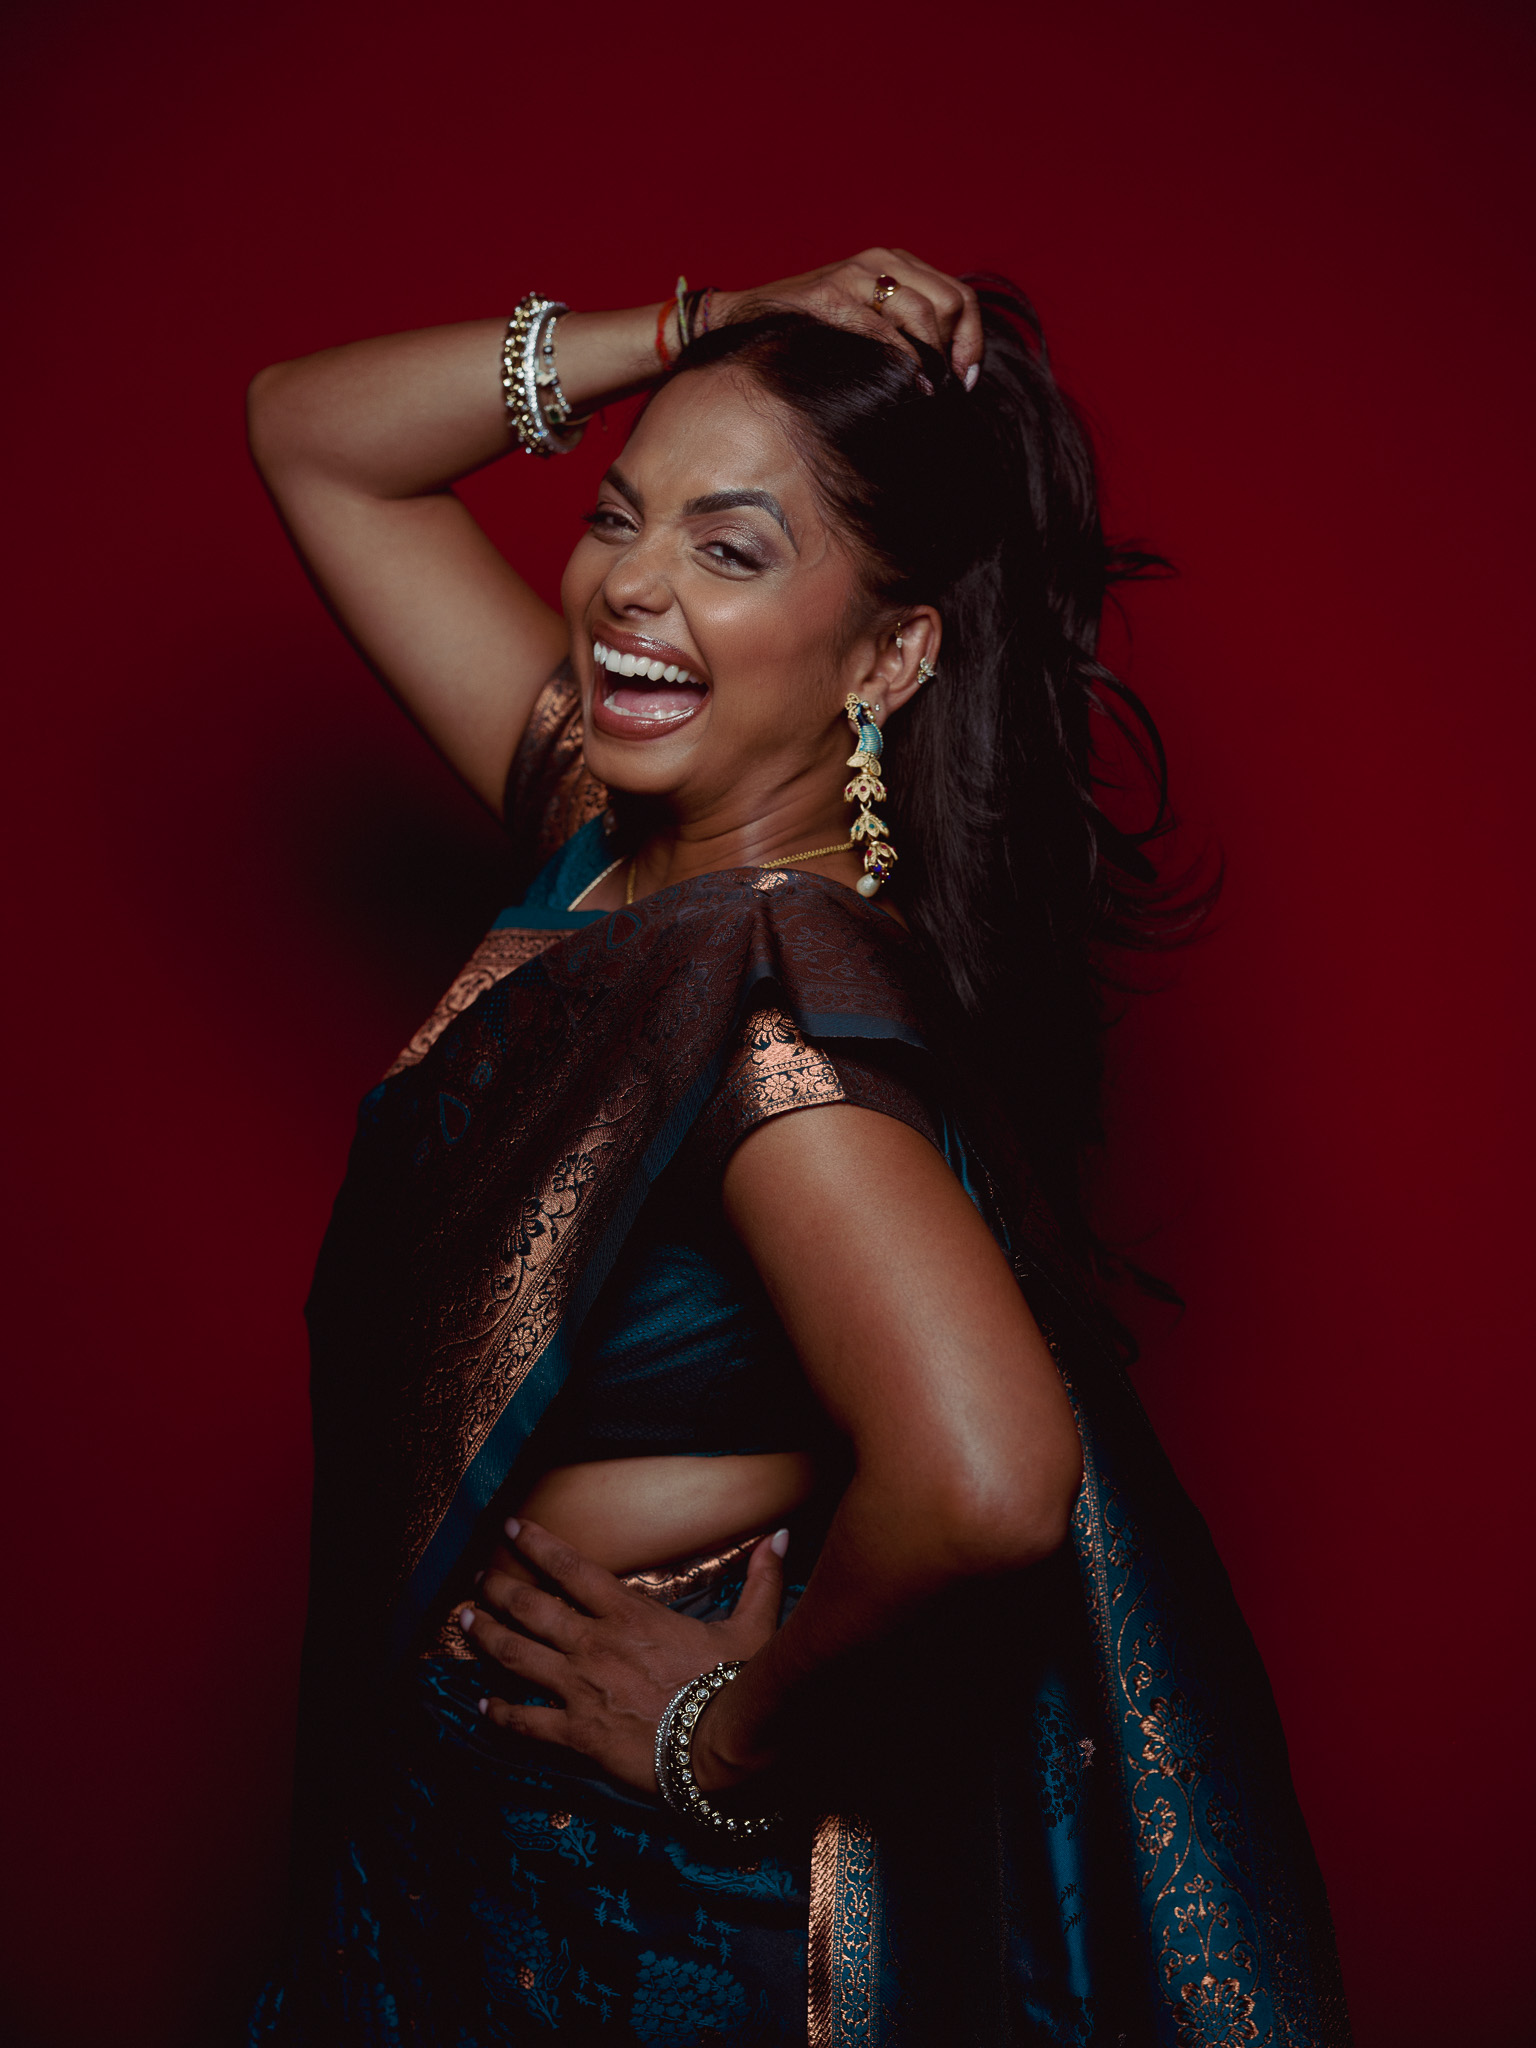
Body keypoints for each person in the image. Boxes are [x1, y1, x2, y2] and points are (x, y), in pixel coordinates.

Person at [244, 250, 1350, 2046]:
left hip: (613, 1897)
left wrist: (721, 1739)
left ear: (892, 654)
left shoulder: (769, 1007)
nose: (633, 586)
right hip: (457, 1817)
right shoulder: (605, 834)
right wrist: (705, 323)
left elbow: (988, 1476)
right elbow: (311, 435)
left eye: (733, 550)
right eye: (619, 517)